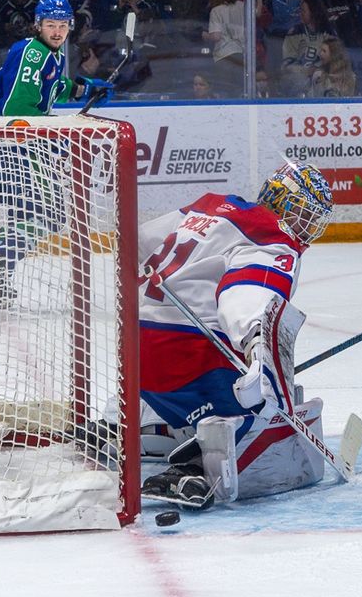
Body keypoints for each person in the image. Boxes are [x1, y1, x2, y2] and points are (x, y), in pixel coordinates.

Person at [136, 161, 335, 510]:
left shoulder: (209, 205)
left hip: (132, 350)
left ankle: (150, 426)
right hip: (178, 355)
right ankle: (193, 468)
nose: (306, 228)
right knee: (256, 406)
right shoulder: (274, 238)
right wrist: (259, 351)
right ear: (281, 202)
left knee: (210, 354)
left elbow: (140, 241)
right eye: (304, 214)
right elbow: (247, 295)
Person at [0, 0, 114, 308]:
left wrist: (83, 89)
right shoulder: (33, 54)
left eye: (63, 25)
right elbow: (17, 108)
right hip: (11, 143)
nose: (58, 31)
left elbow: (52, 87)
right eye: (51, 25)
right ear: (39, 25)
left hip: (15, 142)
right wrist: (54, 134)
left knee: (41, 214)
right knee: (43, 213)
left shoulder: (50, 53)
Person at [281, 0, 332, 96]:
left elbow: (337, 58)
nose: (300, 14)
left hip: (322, 75)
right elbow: (286, 65)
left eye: (303, 11)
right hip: (300, 77)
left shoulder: (328, 32)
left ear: (313, 12)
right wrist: (305, 70)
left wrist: (321, 69)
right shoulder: (295, 33)